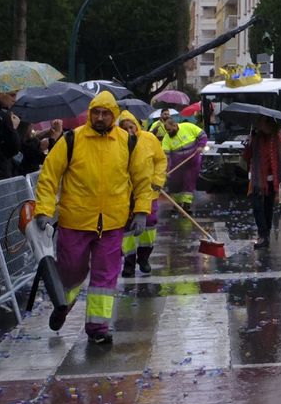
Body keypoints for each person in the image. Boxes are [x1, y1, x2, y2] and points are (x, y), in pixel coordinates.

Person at [31, 90, 154, 345]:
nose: (100, 117)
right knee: (71, 270)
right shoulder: (71, 140)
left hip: (112, 223)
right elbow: (49, 177)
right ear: (90, 114)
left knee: (105, 276)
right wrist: (43, 209)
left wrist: (142, 211)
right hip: (75, 221)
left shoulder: (128, 143)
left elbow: (143, 180)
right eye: (96, 112)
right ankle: (63, 302)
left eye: (105, 113)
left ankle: (98, 327)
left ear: (114, 115)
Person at [117, 110, 167, 278]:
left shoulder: (149, 139)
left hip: (148, 191)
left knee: (150, 224)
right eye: (124, 128)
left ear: (136, 125)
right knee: (127, 230)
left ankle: (144, 257)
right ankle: (129, 263)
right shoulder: (116, 143)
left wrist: (158, 180)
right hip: (124, 194)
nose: (129, 131)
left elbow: (160, 160)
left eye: (131, 126)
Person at [242, 116, 281, 248]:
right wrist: (248, 144)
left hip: (273, 180)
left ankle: (266, 236)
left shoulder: (279, 139)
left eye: (263, 123)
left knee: (268, 208)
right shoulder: (255, 138)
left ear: (270, 125)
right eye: (259, 124)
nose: (261, 126)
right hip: (257, 180)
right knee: (257, 207)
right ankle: (263, 236)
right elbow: (247, 157)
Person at [160, 110, 206, 212]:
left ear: (175, 126)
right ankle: (177, 204)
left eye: (170, 130)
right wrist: (166, 169)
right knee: (175, 184)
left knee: (189, 182)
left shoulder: (188, 127)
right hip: (177, 165)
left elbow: (202, 135)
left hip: (192, 162)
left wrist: (200, 146)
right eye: (166, 130)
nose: (168, 132)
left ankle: (186, 204)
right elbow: (165, 156)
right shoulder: (167, 138)